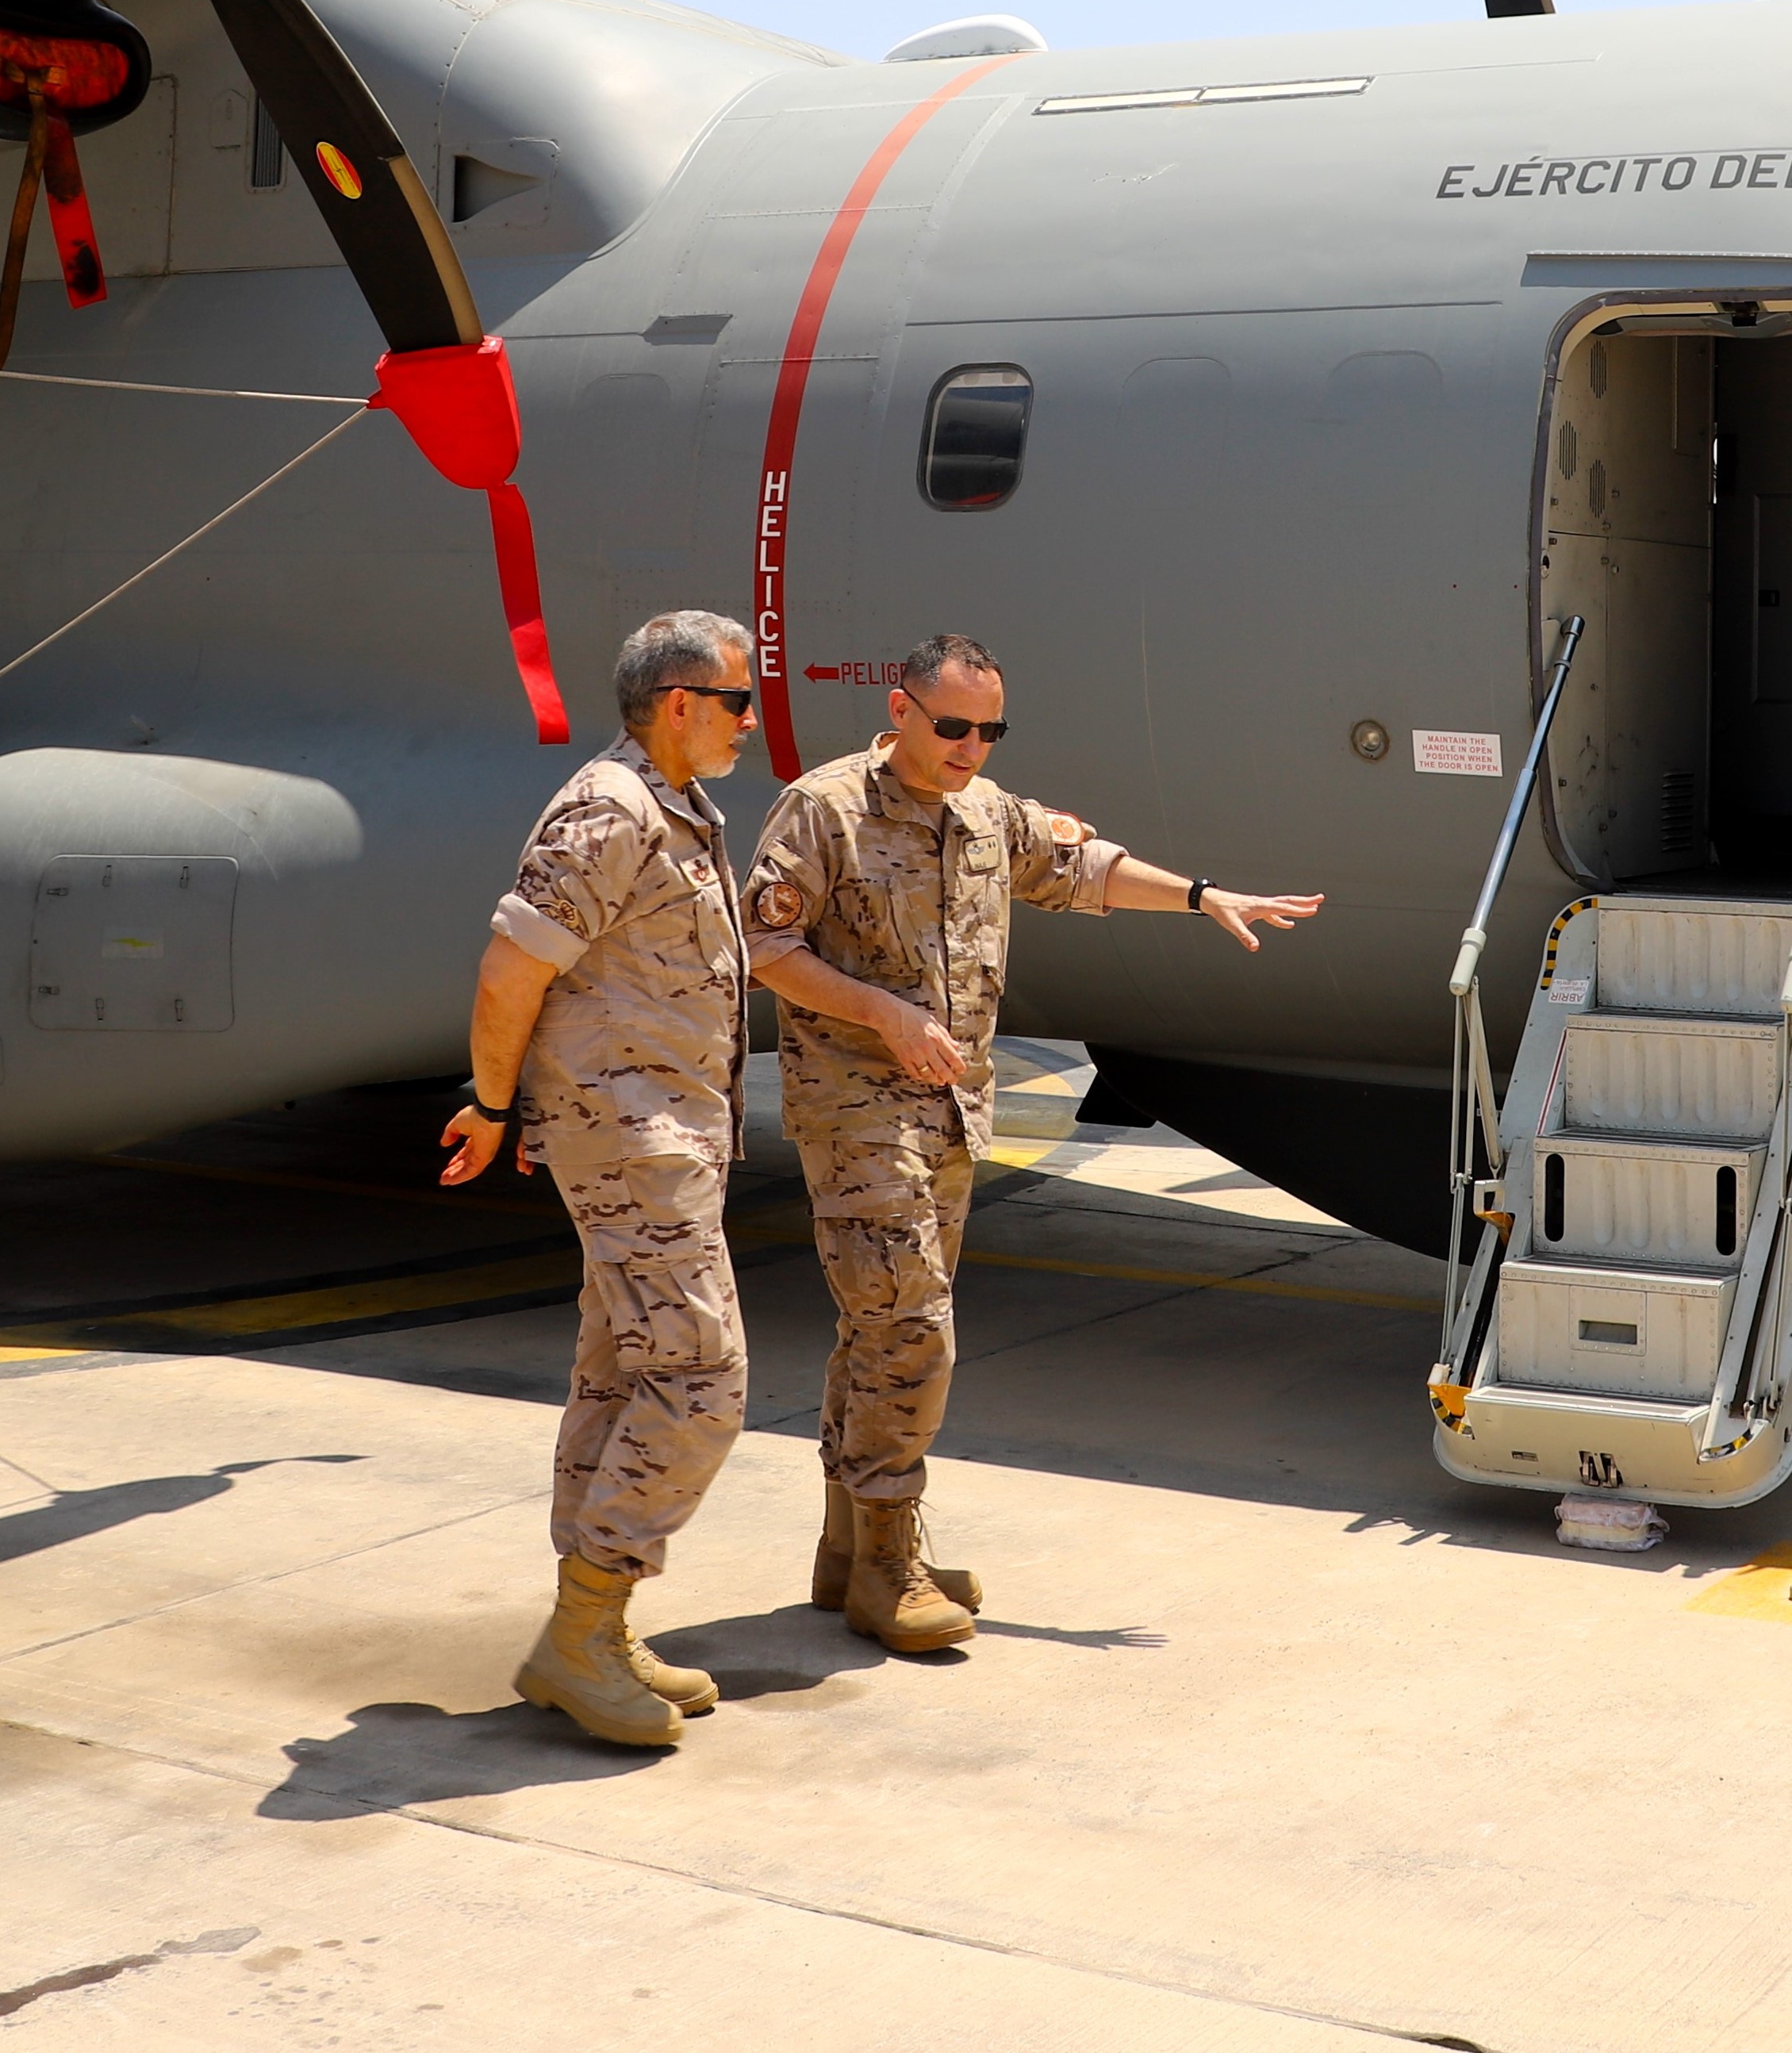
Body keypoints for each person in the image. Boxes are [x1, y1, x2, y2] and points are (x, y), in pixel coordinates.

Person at [745, 631, 1322, 1652]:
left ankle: (851, 1550)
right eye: (953, 726)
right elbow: (768, 948)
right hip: (855, 1107)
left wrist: (1199, 896)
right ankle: (889, 1563)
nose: (971, 746)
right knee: (912, 1329)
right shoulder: (824, 808)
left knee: (879, 1331)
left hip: (954, 1109)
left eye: (988, 730)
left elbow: (1079, 866)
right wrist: (882, 1013)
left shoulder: (984, 811)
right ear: (900, 710)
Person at [443, 609, 762, 1752]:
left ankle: (595, 1628)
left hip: (664, 1134)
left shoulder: (680, 809)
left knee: (626, 1366)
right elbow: (510, 970)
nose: (750, 719)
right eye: (737, 700)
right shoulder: (611, 809)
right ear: (677, 703)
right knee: (702, 1378)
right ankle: (582, 1630)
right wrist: (492, 1102)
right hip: (629, 1138)